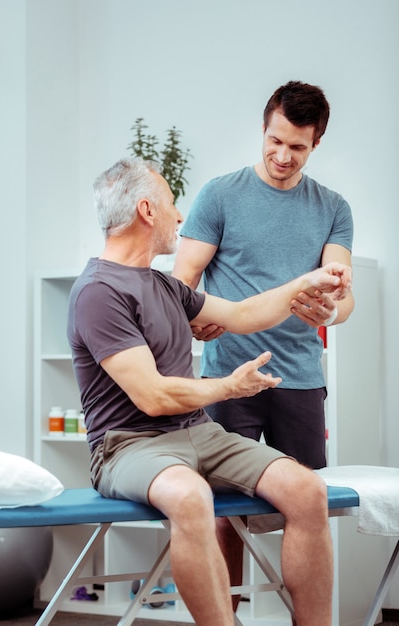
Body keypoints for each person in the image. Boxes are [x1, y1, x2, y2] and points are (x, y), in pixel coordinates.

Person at [67, 157, 352, 626]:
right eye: (172, 203)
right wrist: (228, 386)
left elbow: (242, 315)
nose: (180, 216)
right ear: (146, 210)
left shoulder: (163, 285)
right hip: (128, 444)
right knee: (189, 496)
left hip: (197, 434)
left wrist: (306, 282)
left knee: (306, 490)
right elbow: (153, 397)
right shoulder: (99, 291)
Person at [173, 81, 355, 607]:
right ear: (263, 127)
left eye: (297, 147)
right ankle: (226, 617)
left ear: (316, 144)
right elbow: (184, 281)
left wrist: (332, 310)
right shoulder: (220, 194)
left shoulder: (333, 208)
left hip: (300, 377)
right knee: (223, 511)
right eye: (275, 140)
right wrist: (193, 321)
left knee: (308, 505)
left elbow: (345, 298)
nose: (281, 155)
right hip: (229, 375)